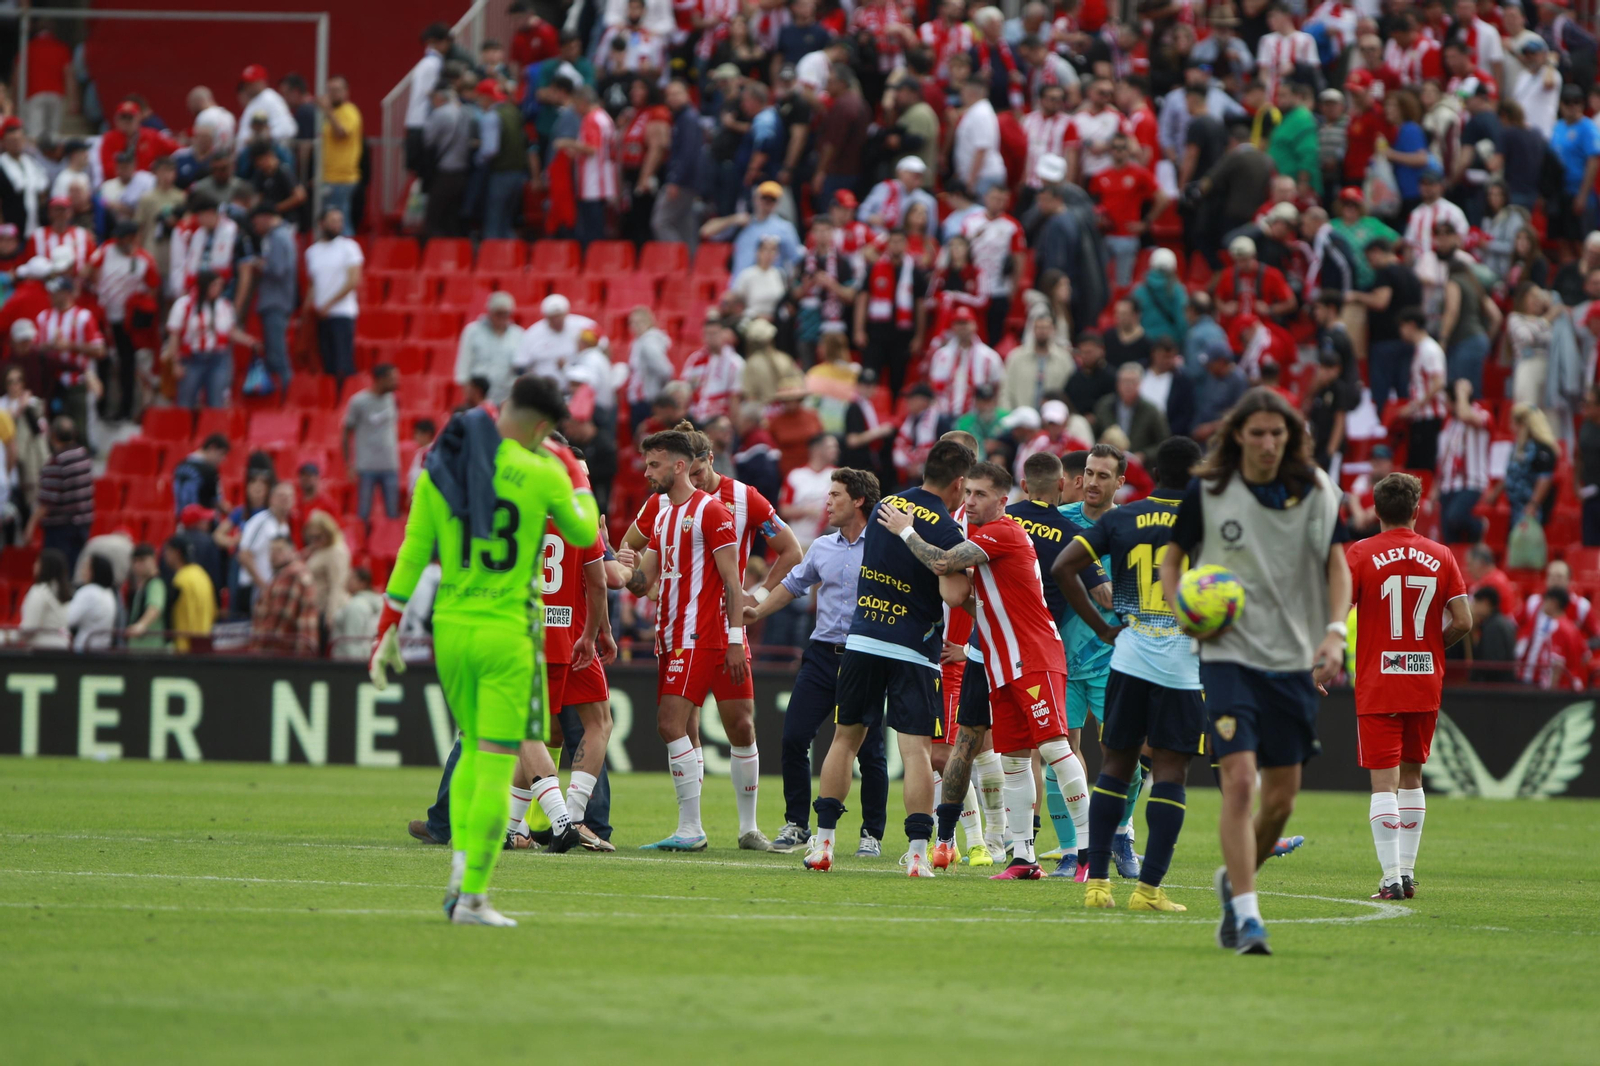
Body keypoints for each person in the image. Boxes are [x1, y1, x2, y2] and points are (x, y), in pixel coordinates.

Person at [369, 378, 597, 925]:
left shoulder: (441, 469)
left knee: (471, 749)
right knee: (495, 763)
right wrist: (575, 473)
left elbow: (411, 553)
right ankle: (470, 895)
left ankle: (459, 882)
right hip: (508, 633)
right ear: (542, 428)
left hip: (451, 630)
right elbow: (584, 531)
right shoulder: (544, 471)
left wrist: (387, 628)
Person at [1162, 388, 1350, 956]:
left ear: (1289, 437)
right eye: (1258, 432)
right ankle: (1247, 916)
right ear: (1239, 435)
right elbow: (1173, 559)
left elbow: (1336, 563)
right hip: (1228, 656)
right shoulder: (1210, 490)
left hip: (1292, 659)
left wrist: (1335, 633)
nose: (1268, 443)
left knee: (1282, 801)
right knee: (1241, 781)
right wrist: (1181, 611)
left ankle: (1235, 879)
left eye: (1278, 433)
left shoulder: (1317, 490)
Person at [876, 458, 1075, 881]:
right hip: (989, 655)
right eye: (967, 492)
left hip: (1028, 655)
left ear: (1003, 499)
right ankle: (985, 847)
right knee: (983, 749)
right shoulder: (977, 535)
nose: (969, 500)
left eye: (979, 494)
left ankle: (1082, 850)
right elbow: (966, 599)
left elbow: (943, 563)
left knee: (1050, 749)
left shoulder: (999, 532)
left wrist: (906, 530)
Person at [800, 439, 974, 876]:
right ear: (959, 483)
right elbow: (955, 594)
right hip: (914, 648)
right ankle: (916, 854)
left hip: (863, 639)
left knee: (844, 740)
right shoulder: (948, 530)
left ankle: (823, 844)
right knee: (915, 752)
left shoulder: (887, 505)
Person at [1055, 435, 1208, 910]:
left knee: (1114, 767)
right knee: (1170, 772)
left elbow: (1064, 567)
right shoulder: (1209, 522)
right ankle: (1148, 890)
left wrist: (1104, 628)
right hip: (1182, 661)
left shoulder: (1123, 518)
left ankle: (1097, 884)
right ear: (1198, 477)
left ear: (1153, 475)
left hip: (1128, 655)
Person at [614, 430, 759, 852]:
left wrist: (736, 639)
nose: (647, 473)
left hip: (700, 635)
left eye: (654, 465)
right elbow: (644, 582)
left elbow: (733, 582)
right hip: (672, 633)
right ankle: (691, 827)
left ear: (679, 466)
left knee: (672, 724)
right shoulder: (662, 515)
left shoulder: (712, 511)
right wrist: (621, 565)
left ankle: (695, 828)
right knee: (678, 726)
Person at [746, 468, 888, 853]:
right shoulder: (823, 546)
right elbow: (793, 585)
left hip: (866, 656)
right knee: (794, 737)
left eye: (836, 495)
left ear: (859, 500)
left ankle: (871, 833)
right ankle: (797, 823)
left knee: (870, 751)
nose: (827, 502)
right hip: (822, 654)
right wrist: (757, 611)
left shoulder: (885, 545)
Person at [1347, 472, 1471, 900]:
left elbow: (1337, 609)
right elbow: (1464, 621)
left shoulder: (1361, 553)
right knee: (1413, 776)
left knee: (1384, 783)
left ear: (1376, 511)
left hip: (1380, 680)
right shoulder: (1442, 555)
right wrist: (1433, 644)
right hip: (1423, 678)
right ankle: (1407, 874)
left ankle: (1390, 878)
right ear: (1417, 510)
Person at [1047, 445, 1133, 878]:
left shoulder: (1130, 527)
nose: (1093, 482)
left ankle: (1121, 835)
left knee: (1124, 755)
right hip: (1057, 659)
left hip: (1113, 659)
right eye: (1089, 472)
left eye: (1103, 475)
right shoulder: (1059, 520)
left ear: (1120, 481)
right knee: (1058, 756)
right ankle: (1071, 851)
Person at [164, 270, 258, 410]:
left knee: (216, 402)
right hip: (192, 359)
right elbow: (174, 335)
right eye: (215, 285)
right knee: (185, 402)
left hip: (218, 359)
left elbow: (230, 331)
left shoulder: (224, 305)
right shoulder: (184, 305)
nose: (218, 289)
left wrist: (251, 341)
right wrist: (175, 363)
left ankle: (213, 424)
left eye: (220, 285)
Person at [302, 207, 362, 384]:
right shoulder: (312, 252)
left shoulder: (349, 247)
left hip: (342, 312)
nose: (337, 225)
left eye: (339, 221)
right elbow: (313, 285)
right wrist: (307, 310)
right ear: (322, 224)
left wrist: (329, 304)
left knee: (343, 363)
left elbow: (353, 280)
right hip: (321, 315)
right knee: (326, 362)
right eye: (333, 221)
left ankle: (345, 396)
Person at [29, 417, 93, 573]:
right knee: (73, 570)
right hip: (83, 523)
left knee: (56, 572)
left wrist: (30, 526)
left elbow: (47, 501)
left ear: (53, 436)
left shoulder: (56, 462)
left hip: (61, 528)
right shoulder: (83, 455)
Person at [1435, 379, 1493, 543]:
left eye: (1448, 400)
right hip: (1448, 484)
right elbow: (1444, 456)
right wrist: (1435, 488)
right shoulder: (1449, 423)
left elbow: (1465, 415)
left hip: (1471, 482)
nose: (1445, 405)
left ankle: (1479, 526)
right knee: (1448, 537)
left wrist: (1462, 392)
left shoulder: (1482, 414)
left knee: (1455, 517)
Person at [1486, 404, 1559, 530]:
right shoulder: (1518, 447)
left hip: (1531, 510)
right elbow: (1510, 474)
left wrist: (1533, 505)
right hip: (1515, 508)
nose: (1511, 427)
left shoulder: (1542, 449)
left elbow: (1544, 479)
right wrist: (1495, 494)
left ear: (1522, 424)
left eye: (1513, 423)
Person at [343, 364, 401, 522]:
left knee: (393, 515)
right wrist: (349, 463)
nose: (396, 382)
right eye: (392, 379)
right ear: (380, 379)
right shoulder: (358, 402)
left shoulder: (393, 399)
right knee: (363, 514)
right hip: (366, 467)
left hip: (390, 465)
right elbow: (346, 433)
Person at [1396, 309, 1448, 471]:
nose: (1400, 331)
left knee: (1423, 468)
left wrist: (1414, 406)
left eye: (1402, 326)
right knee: (1416, 466)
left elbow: (1438, 382)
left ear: (1411, 325)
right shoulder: (1422, 349)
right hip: (1422, 417)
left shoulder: (1429, 349)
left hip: (1429, 417)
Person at [251, 536, 319, 655]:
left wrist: (261, 648)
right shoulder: (294, 571)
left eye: (279, 550)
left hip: (285, 652)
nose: (273, 555)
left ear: (293, 552)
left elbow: (280, 618)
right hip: (297, 650)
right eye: (271, 551)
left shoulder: (290, 574)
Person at [454, 292, 523, 407]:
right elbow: (464, 364)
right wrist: (468, 393)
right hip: (479, 397)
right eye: (498, 313)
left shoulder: (518, 334)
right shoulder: (472, 332)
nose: (502, 317)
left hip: (506, 397)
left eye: (505, 313)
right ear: (490, 312)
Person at [1095, 364, 1171, 464]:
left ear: (1140, 384)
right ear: (1117, 383)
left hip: (1140, 466)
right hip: (1108, 461)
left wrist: (1144, 455)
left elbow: (1164, 443)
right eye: (1124, 381)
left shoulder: (1151, 410)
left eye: (1132, 382)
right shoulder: (1104, 406)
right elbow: (1094, 435)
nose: (1128, 386)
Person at [316, 76, 363, 233]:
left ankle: (346, 246)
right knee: (329, 221)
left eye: (336, 90)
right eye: (330, 90)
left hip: (343, 178)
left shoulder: (350, 111)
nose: (332, 94)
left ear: (346, 92)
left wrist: (328, 111)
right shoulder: (331, 114)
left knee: (339, 222)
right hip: (329, 176)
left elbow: (341, 133)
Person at [162, 536, 216, 653]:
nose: (164, 555)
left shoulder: (180, 580)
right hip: (204, 642)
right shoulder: (202, 574)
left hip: (185, 646)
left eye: (167, 551)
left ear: (176, 553)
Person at [66, 553, 119, 651]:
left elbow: (68, 619)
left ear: (95, 571)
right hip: (103, 648)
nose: (82, 571)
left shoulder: (88, 591)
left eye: (86, 567)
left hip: (84, 649)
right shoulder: (109, 592)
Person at [20, 547, 71, 648]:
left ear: (46, 567)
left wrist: (6, 636)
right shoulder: (63, 592)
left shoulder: (39, 591)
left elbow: (28, 628)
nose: (34, 565)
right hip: (63, 647)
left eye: (38, 562)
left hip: (41, 651)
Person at [331, 566, 383, 660]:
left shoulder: (356, 606)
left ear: (363, 583)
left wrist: (354, 665)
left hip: (348, 662)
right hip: (365, 659)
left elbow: (352, 640)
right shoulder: (368, 602)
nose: (347, 582)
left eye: (351, 578)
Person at [124, 543, 168, 650]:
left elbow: (155, 606)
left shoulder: (155, 584)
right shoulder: (142, 586)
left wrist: (141, 625)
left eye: (142, 560)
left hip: (151, 648)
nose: (137, 565)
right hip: (140, 647)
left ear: (153, 559)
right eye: (135, 561)